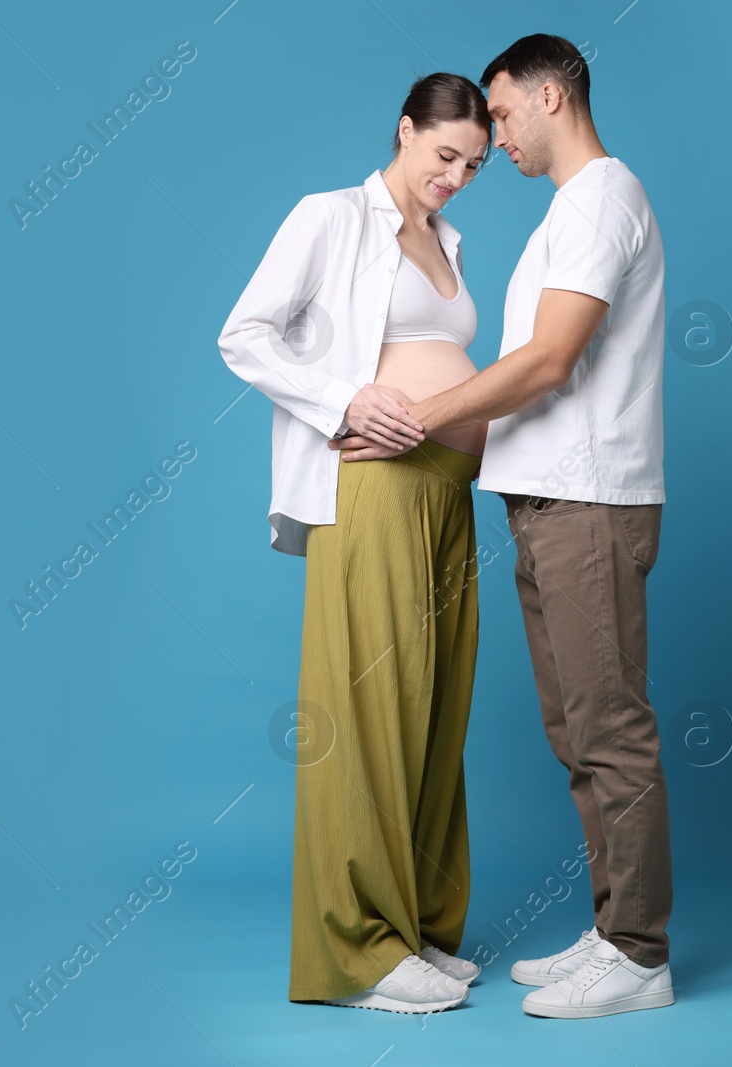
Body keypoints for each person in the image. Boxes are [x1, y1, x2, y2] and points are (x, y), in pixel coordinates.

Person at [332, 34, 674, 1019]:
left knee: (607, 725)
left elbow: (548, 361)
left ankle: (641, 953)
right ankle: (613, 930)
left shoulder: (603, 199)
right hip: (546, 497)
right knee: (573, 724)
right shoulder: (571, 213)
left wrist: (414, 418)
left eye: (504, 110)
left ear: (552, 95)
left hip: (591, 500)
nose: (495, 134)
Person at [216, 72, 492, 1014]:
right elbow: (242, 335)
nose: (454, 177)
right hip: (372, 488)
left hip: (450, 498)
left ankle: (414, 924)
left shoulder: (449, 241)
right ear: (405, 130)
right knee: (372, 710)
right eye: (443, 154)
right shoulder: (330, 216)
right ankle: (357, 950)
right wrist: (345, 399)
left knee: (434, 711)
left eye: (474, 165)